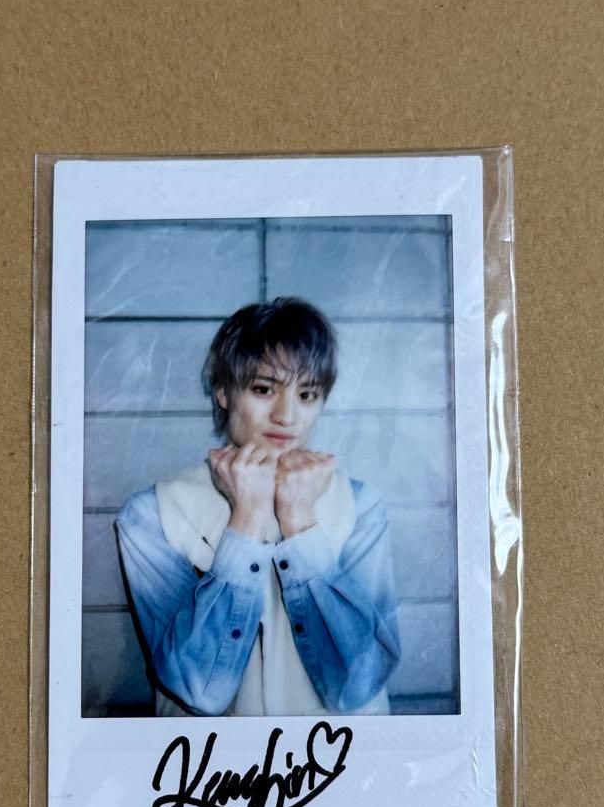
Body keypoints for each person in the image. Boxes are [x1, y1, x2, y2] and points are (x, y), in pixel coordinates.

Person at [115, 297, 400, 717]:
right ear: (223, 391)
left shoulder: (361, 506)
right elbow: (199, 689)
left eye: (307, 394)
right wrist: (246, 520)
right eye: (264, 390)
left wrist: (301, 523)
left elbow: (357, 686)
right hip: (213, 760)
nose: (287, 416)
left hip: (337, 755)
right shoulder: (152, 514)